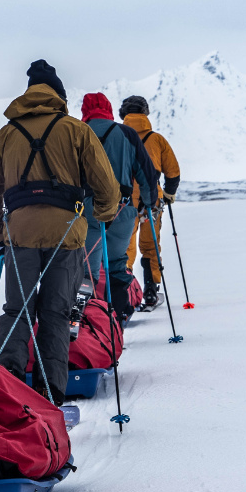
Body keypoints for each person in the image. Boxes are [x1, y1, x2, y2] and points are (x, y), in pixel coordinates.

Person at [0, 60, 120, 404]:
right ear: (59, 94)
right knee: (56, 313)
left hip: (20, 234)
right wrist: (104, 214)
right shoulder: (75, 129)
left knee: (17, 311)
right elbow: (107, 188)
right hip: (66, 233)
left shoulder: (6, 135)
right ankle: (50, 392)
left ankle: (8, 388)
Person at [79, 92, 159, 322]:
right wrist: (148, 203)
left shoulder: (77, 132)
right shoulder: (127, 134)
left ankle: (90, 324)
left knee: (87, 272)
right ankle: (119, 318)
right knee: (116, 265)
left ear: (85, 111)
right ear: (109, 110)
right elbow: (147, 174)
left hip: (88, 211)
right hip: (122, 211)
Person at [120, 95, 181, 308]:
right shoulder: (157, 139)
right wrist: (169, 194)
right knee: (151, 245)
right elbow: (173, 172)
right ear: (145, 113)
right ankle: (151, 291)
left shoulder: (118, 136)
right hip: (151, 201)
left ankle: (123, 292)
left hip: (124, 201)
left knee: (124, 247)